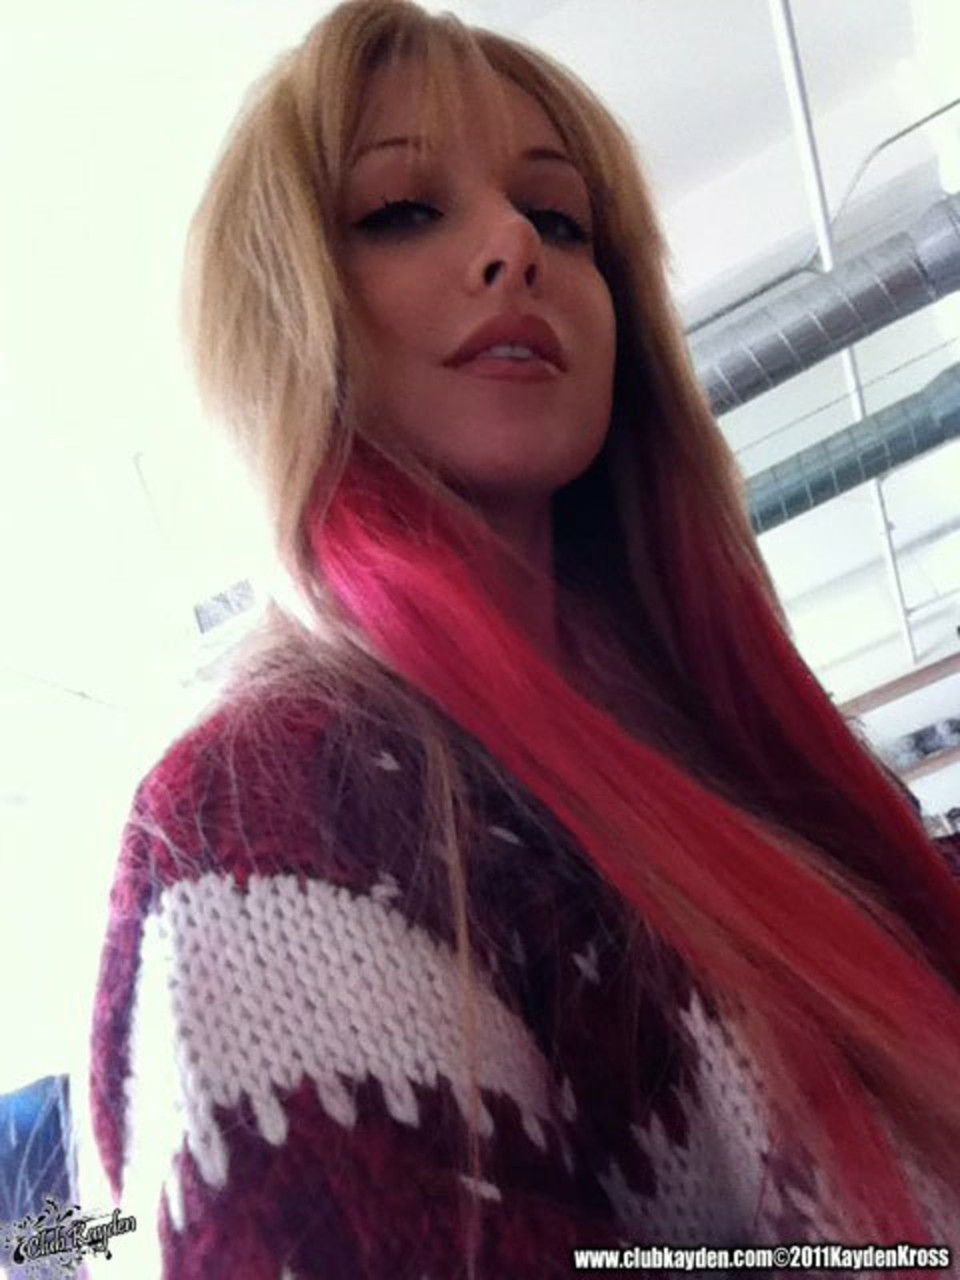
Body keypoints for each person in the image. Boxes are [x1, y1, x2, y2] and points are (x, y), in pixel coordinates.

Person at [89, 2, 960, 1276]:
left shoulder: (750, 763)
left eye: (560, 219)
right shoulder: (263, 811)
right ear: (279, 316)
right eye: (401, 211)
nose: (512, 246)